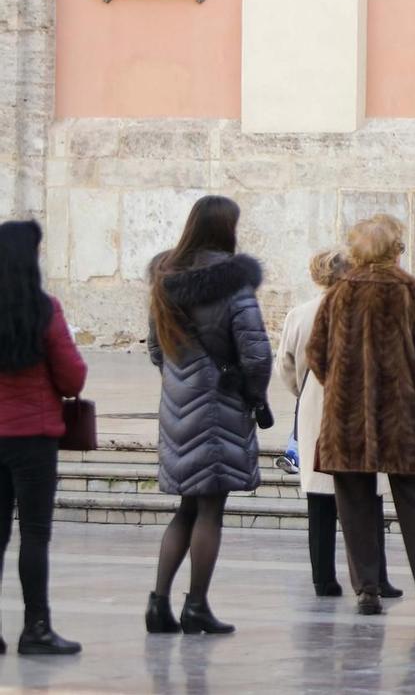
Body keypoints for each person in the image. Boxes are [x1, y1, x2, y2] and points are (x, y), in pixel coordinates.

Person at [308, 215, 415, 620]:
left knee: (355, 503)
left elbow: (316, 355)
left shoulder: (338, 293)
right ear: (395, 249)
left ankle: (366, 590)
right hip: (405, 417)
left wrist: (343, 387)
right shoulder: (412, 292)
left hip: (347, 418)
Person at [144, 195, 270, 637]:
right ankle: (196, 606)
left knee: (185, 508)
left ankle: (158, 604)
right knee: (210, 511)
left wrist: (181, 381)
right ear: (225, 229)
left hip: (178, 404)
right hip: (219, 407)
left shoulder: (165, 278)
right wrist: (252, 395)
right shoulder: (233, 283)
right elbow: (255, 352)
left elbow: (157, 348)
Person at [279, 248, 402, 601]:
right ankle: (376, 577)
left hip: (315, 407)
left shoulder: (299, 315)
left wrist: (304, 392)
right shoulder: (368, 310)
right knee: (369, 498)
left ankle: (324, 578)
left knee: (320, 499)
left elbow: (285, 367)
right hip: (361, 406)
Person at [0, 220, 87, 656]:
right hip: (33, 438)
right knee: (34, 533)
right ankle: (35, 629)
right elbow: (73, 376)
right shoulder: (44, 309)